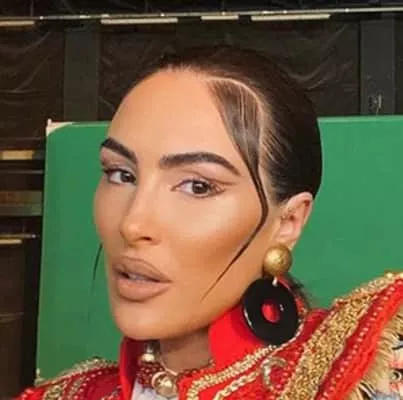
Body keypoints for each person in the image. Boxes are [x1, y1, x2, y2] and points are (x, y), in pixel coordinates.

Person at [17, 46, 402, 400]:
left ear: (288, 221)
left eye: (197, 186)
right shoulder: (70, 394)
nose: (132, 224)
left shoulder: (359, 376)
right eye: (121, 174)